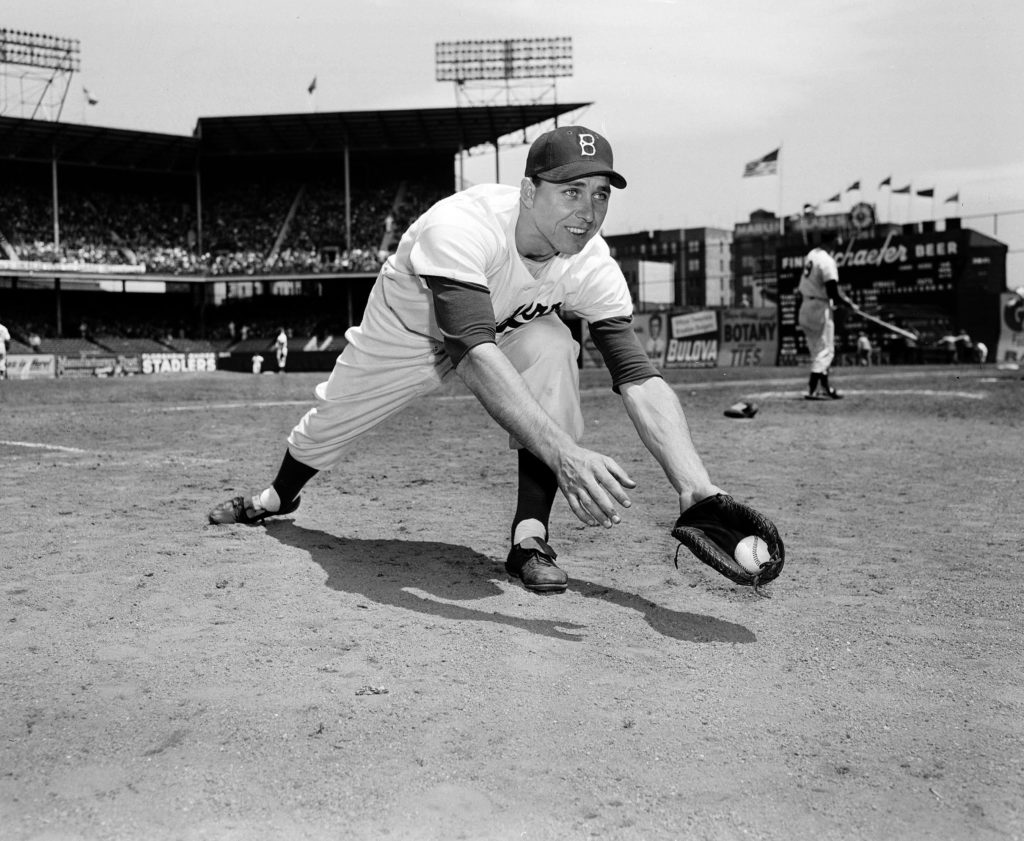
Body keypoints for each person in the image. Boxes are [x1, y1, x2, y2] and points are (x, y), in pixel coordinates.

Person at [208, 125, 725, 594]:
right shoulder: (463, 224)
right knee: (328, 424)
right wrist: (564, 453)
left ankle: (530, 539)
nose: (588, 211)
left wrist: (695, 487)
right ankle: (276, 498)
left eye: (600, 195)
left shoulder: (591, 262)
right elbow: (473, 353)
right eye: (571, 191)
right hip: (408, 334)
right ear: (528, 192)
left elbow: (637, 376)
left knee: (550, 346)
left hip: (502, 331)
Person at [797, 237, 854, 399]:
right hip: (819, 308)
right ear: (833, 244)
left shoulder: (812, 254)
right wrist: (847, 304)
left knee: (817, 351)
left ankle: (825, 388)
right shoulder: (828, 261)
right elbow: (833, 293)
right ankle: (812, 388)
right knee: (826, 351)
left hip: (805, 306)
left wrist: (846, 301)